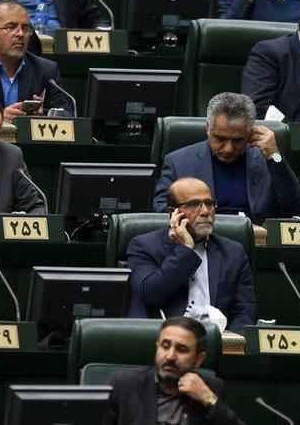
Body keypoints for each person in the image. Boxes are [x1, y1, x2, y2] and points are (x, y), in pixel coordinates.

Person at [153, 93, 300, 225]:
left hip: (257, 250)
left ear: (250, 133)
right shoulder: (178, 162)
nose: (228, 148)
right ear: (208, 128)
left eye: (238, 140)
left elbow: (299, 213)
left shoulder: (268, 160)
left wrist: (275, 158)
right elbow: (160, 213)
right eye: (220, 138)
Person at [128, 177, 256, 334]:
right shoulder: (144, 246)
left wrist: (230, 341)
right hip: (164, 340)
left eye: (209, 203)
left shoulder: (233, 252)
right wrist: (186, 250)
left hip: (216, 340)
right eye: (194, 204)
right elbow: (152, 295)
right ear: (172, 212)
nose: (205, 211)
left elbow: (244, 311)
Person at [104, 317, 245, 425]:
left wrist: (208, 398)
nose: (170, 356)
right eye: (165, 346)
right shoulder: (123, 384)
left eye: (181, 349)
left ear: (198, 359)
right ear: (157, 348)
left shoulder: (210, 387)